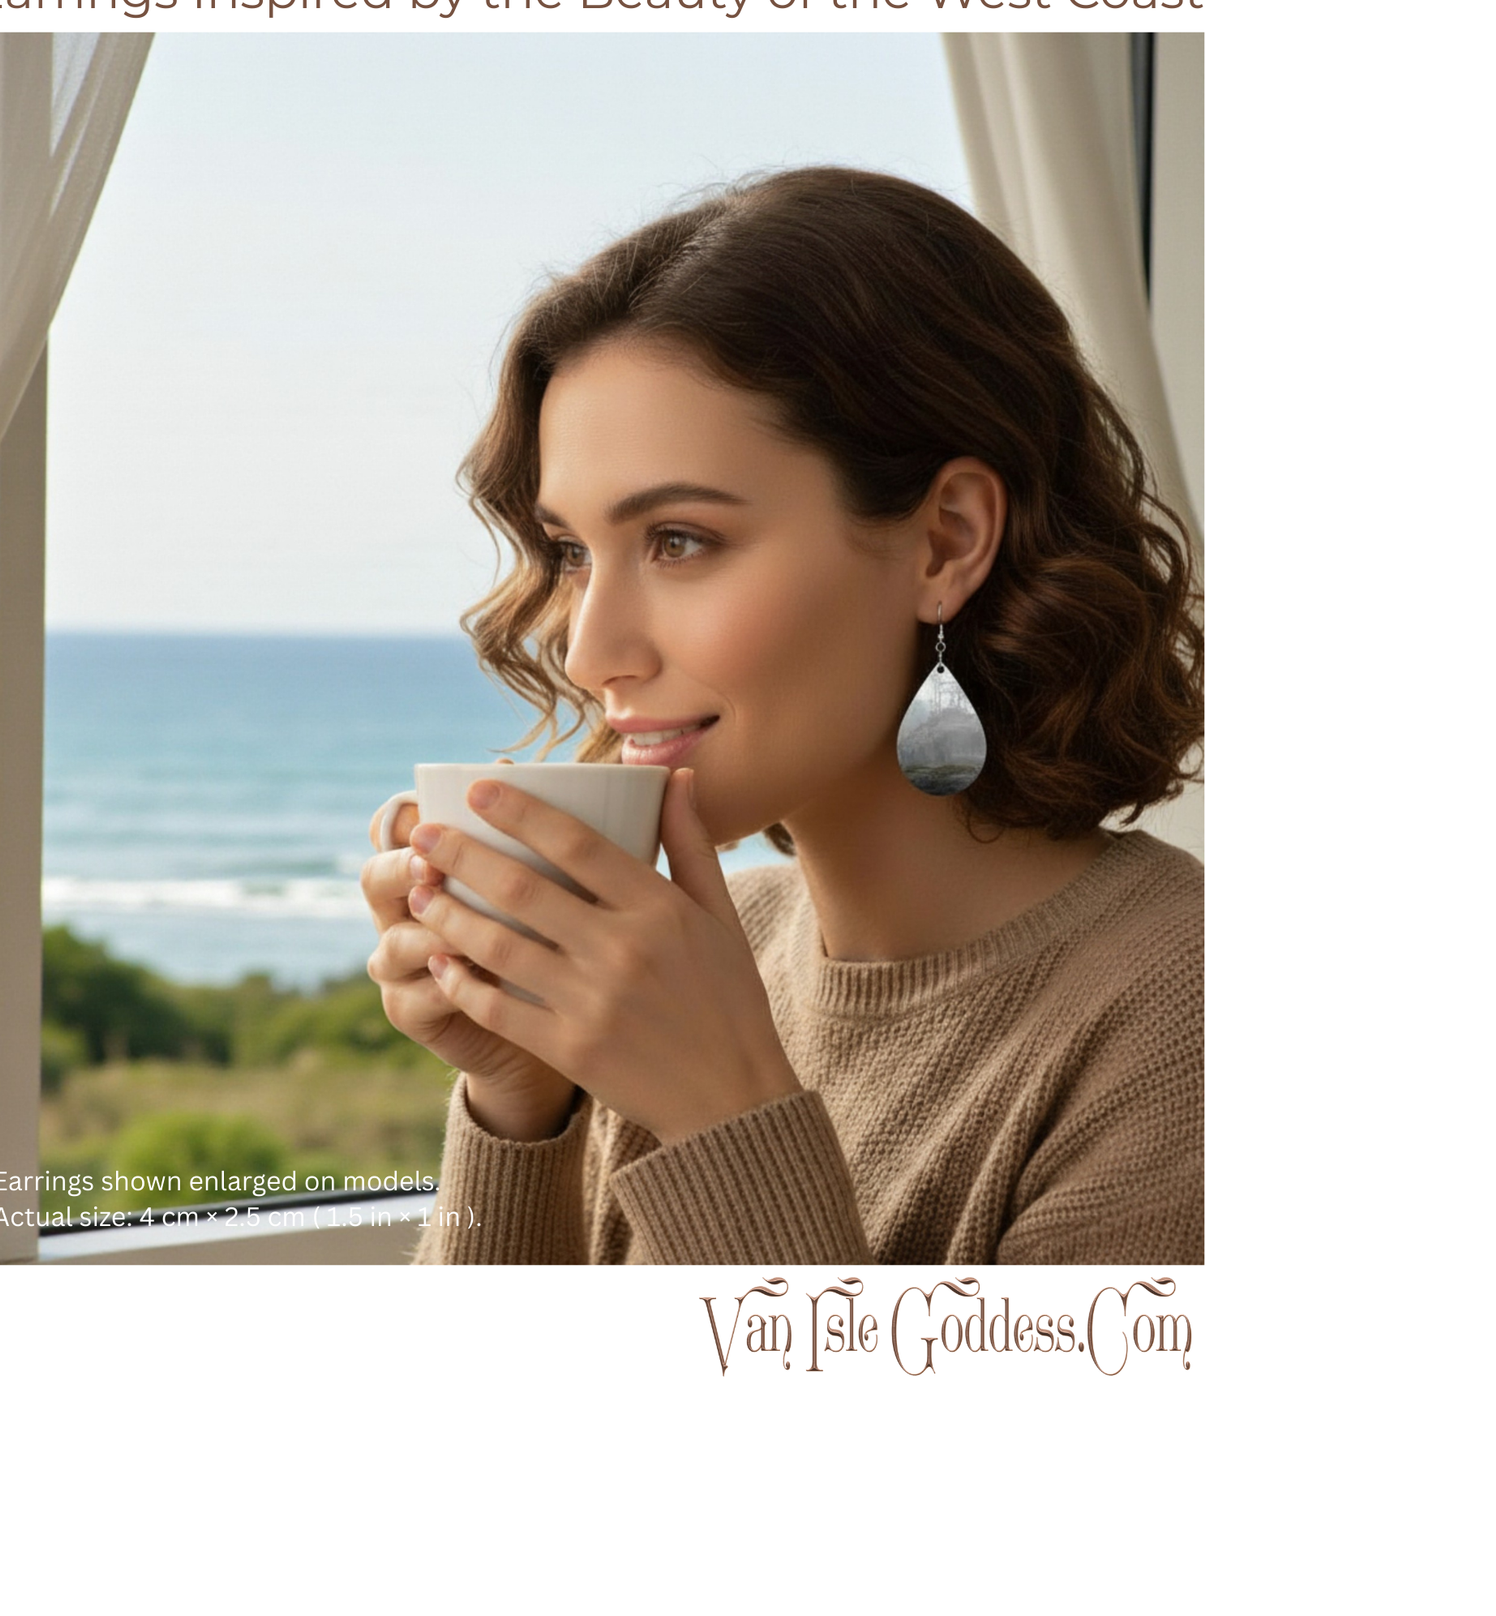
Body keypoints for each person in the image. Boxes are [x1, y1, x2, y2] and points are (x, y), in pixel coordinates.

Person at [360, 167, 1203, 1266]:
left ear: (944, 540)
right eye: (572, 550)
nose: (586, 645)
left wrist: (725, 1117)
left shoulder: (1187, 1021)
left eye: (678, 539)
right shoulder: (696, 959)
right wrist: (520, 1099)